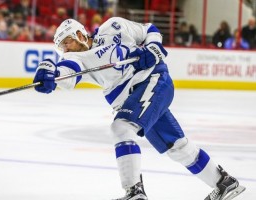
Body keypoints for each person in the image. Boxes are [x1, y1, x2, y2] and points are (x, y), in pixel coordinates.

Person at [33, 17, 246, 200]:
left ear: (79, 33)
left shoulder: (113, 26)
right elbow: (66, 71)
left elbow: (149, 30)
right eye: (62, 47)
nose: (65, 49)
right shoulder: (76, 58)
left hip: (154, 81)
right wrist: (50, 73)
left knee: (121, 128)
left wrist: (153, 48)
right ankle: (224, 183)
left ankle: (134, 191)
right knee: (176, 146)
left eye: (66, 43)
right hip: (134, 100)